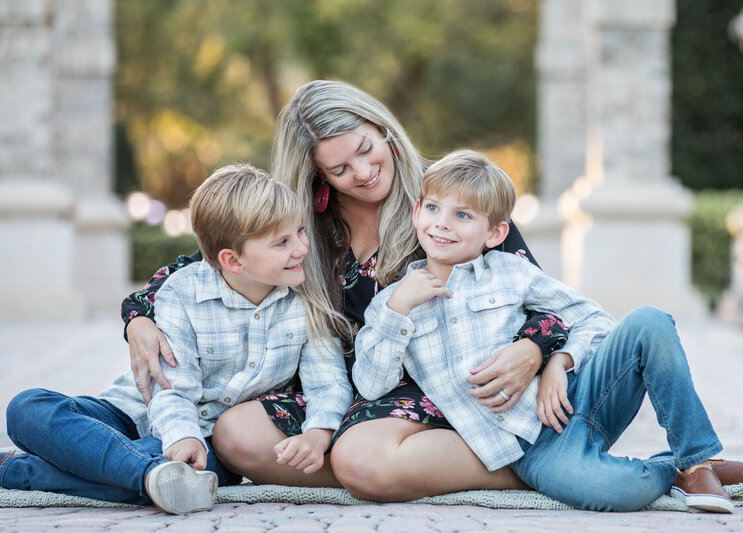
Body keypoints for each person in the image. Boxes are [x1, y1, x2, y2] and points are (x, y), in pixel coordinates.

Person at [121, 80, 569, 496]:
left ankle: (513, 466)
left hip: (457, 383)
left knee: (366, 457)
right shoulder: (302, 225)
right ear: (317, 175)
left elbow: (539, 295)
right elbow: (211, 260)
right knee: (236, 433)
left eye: (366, 149)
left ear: (382, 127)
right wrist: (139, 315)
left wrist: (533, 350)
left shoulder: (448, 196)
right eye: (339, 168)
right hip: (351, 395)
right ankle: (395, 470)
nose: (364, 172)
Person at [352, 149, 743, 512]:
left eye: (463, 215)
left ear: (495, 233)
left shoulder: (511, 271)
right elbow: (371, 384)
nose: (442, 225)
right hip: (532, 449)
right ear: (416, 211)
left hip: (582, 395)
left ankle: (697, 459)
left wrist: (558, 361)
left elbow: (595, 319)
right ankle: (673, 471)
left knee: (650, 321)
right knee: (621, 492)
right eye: (434, 209)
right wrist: (398, 309)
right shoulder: (391, 302)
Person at [0, 165, 352, 513]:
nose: (302, 247)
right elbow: (170, 389)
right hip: (135, 416)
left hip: (210, 443)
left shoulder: (306, 301)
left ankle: (25, 468)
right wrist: (178, 438)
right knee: (26, 408)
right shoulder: (180, 293)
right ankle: (152, 477)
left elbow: (327, 379)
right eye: (282, 242)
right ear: (233, 260)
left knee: (165, 466)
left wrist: (319, 432)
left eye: (300, 231)